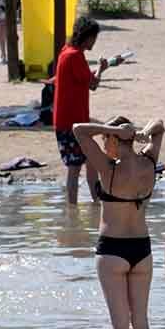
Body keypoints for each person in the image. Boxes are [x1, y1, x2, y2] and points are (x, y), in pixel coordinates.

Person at [74, 116, 164, 329]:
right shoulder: (149, 161)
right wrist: (142, 133)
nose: (105, 146)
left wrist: (114, 130)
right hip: (142, 249)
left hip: (112, 249)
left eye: (107, 141)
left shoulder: (108, 168)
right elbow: (159, 125)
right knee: (141, 323)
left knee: (120, 326)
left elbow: (78, 130)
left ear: (114, 139)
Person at [53, 18, 109, 204]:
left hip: (70, 120)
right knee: (75, 168)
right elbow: (93, 84)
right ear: (87, 37)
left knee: (91, 162)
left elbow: (83, 78)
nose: (94, 42)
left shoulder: (66, 52)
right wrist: (101, 69)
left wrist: (98, 71)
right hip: (72, 123)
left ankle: (95, 203)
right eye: (94, 38)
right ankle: (73, 208)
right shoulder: (75, 56)